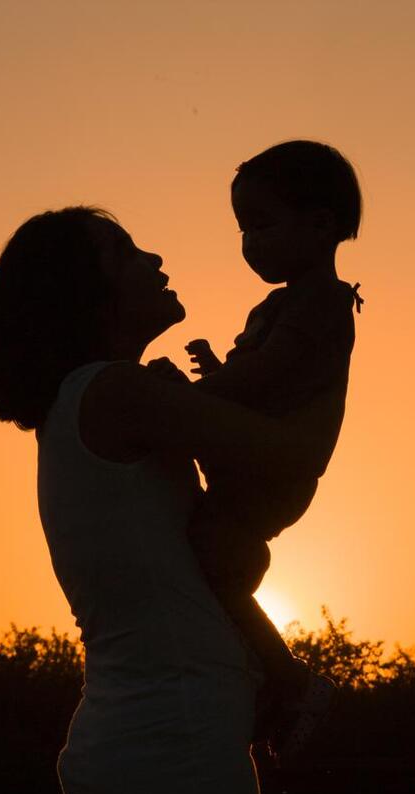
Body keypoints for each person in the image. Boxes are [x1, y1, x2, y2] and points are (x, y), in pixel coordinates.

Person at [0, 205, 339, 794]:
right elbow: (291, 457)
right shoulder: (116, 392)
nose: (154, 260)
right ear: (88, 294)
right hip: (174, 745)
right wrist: (332, 346)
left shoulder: (92, 400)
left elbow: (224, 514)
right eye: (126, 252)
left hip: (144, 739)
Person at [148, 140, 364, 757]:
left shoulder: (322, 301)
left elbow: (267, 379)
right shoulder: (279, 304)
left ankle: (288, 679)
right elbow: (260, 377)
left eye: (263, 225)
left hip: (272, 473)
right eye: (243, 230)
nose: (249, 244)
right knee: (208, 564)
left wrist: (193, 398)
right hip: (251, 465)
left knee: (214, 560)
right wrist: (214, 373)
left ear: (320, 225)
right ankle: (267, 680)